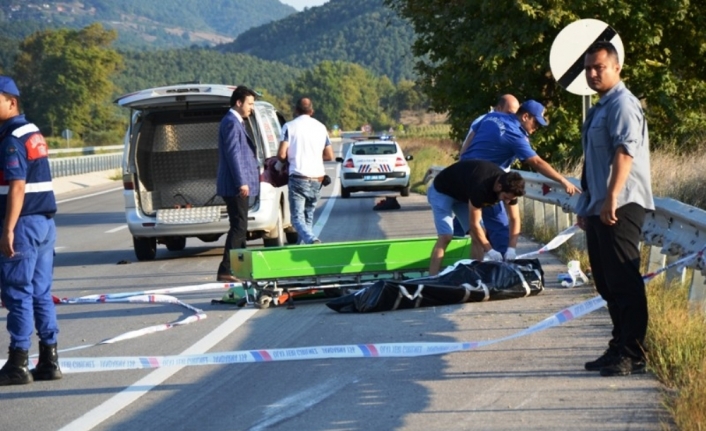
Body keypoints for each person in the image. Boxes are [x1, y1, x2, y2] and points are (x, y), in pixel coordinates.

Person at [576, 41, 654, 377]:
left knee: (624, 280)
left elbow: (625, 153)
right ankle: (618, 344)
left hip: (620, 204)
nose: (593, 73)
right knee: (607, 283)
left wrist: (611, 198)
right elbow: (591, 162)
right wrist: (586, 204)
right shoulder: (599, 108)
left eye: (599, 67)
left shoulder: (623, 104)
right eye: (589, 68)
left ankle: (633, 354)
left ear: (617, 68)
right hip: (600, 205)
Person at [460, 99, 580, 260]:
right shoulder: (515, 135)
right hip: (484, 180)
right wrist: (563, 181)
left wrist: (463, 159)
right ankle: (504, 267)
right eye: (536, 123)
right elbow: (537, 162)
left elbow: (472, 134)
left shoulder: (492, 117)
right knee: (499, 225)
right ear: (525, 117)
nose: (536, 128)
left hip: (462, 173)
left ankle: (464, 270)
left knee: (467, 227)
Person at [0, 76, 62, 385]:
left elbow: (17, 185)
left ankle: (18, 363)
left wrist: (7, 229)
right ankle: (49, 360)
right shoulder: (33, 131)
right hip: (44, 224)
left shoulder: (11, 138)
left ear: (11, 102)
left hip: (23, 223)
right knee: (40, 293)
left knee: (17, 293)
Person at [427, 159, 526, 275]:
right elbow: (474, 224)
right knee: (446, 236)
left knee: (479, 235)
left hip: (463, 194)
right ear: (499, 187)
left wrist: (512, 248)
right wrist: (490, 250)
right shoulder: (481, 186)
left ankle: (476, 275)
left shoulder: (511, 188)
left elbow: (515, 219)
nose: (507, 202)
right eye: (505, 198)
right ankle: (432, 277)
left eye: (511, 199)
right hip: (442, 191)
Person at [215, 86, 259, 282]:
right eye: (250, 103)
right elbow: (234, 154)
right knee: (239, 226)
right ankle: (226, 269)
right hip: (235, 185)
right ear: (238, 102)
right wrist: (242, 182)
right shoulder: (232, 122)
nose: (252, 108)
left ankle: (239, 269)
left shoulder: (235, 121)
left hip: (238, 184)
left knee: (240, 226)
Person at [277, 98, 334, 244]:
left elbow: (282, 155)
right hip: (318, 179)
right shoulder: (321, 127)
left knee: (296, 219)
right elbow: (329, 155)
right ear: (311, 111)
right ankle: (305, 249)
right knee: (308, 216)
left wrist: (287, 160)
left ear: (296, 110)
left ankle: (310, 239)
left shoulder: (289, 127)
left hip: (298, 177)